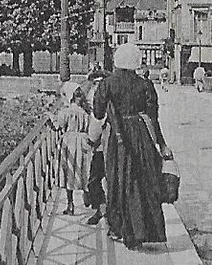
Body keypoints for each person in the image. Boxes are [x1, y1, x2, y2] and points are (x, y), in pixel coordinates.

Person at [89, 42, 167, 249]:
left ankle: (118, 228)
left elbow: (97, 112)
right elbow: (153, 117)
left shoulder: (107, 84)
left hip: (118, 135)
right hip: (141, 135)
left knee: (117, 179)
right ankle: (145, 230)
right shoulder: (145, 85)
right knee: (143, 181)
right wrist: (161, 144)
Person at [46, 80, 91, 215]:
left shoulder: (67, 112)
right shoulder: (85, 112)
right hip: (83, 141)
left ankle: (70, 205)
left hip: (69, 143)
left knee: (68, 172)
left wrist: (49, 117)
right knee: (83, 169)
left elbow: (57, 126)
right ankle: (87, 195)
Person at [80, 65, 109, 221]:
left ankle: (102, 209)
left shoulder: (101, 100)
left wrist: (91, 140)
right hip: (111, 146)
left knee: (94, 180)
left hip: (102, 147)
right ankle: (103, 209)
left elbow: (97, 122)